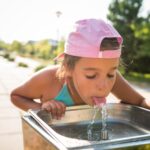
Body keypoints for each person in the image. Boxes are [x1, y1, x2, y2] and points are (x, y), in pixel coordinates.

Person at [10, 18, 150, 120]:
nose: (104, 86)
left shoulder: (112, 78)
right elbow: (16, 96)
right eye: (91, 75)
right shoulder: (49, 80)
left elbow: (139, 102)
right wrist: (42, 109)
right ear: (67, 67)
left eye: (110, 74)